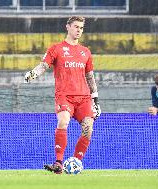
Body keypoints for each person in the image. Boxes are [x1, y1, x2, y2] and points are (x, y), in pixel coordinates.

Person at [24, 16, 101, 174]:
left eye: (81, 28)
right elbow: (44, 65)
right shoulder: (56, 49)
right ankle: (58, 162)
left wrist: (96, 101)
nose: (79, 30)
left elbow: (90, 77)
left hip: (84, 97)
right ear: (68, 27)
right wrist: (33, 73)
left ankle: (75, 162)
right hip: (65, 96)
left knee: (88, 129)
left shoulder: (85, 52)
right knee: (63, 121)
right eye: (76, 27)